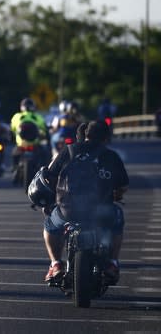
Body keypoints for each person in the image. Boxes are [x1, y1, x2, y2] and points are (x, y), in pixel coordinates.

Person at [36, 120, 128, 284]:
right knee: (118, 218)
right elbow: (122, 186)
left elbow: (49, 176)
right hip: (101, 211)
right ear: (106, 138)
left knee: (49, 224)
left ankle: (56, 264)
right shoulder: (111, 156)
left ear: (86, 135)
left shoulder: (69, 150)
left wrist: (57, 192)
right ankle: (112, 263)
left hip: (68, 210)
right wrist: (115, 195)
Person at [10, 98, 49, 180]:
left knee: (14, 154)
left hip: (21, 144)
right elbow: (44, 129)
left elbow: (12, 129)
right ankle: (45, 173)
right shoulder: (37, 117)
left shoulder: (17, 116)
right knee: (45, 155)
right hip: (35, 144)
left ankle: (14, 169)